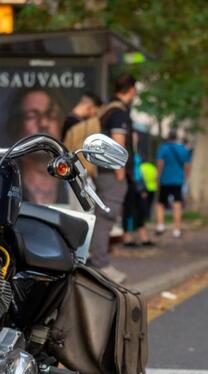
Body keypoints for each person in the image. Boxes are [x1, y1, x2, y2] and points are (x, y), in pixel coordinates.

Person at [89, 73, 138, 283]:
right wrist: (120, 170)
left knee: (101, 214)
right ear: (132, 90)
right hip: (111, 173)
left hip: (102, 171)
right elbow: (118, 141)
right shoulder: (119, 113)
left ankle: (95, 259)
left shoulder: (107, 110)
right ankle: (100, 264)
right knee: (106, 216)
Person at [155, 129, 191, 238]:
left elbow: (160, 163)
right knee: (177, 203)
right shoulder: (182, 149)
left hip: (165, 180)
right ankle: (177, 229)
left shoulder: (163, 148)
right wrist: (185, 176)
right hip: (178, 180)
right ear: (176, 138)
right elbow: (187, 165)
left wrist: (158, 177)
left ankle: (160, 225)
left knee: (161, 203)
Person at [122, 133, 155, 247]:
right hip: (129, 184)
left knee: (140, 210)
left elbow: (138, 171)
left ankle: (142, 235)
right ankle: (128, 237)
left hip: (137, 184)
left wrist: (142, 187)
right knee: (129, 211)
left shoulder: (135, 151)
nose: (136, 138)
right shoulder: (126, 151)